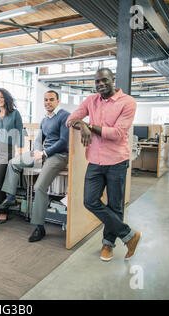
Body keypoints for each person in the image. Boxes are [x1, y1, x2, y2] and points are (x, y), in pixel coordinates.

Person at [66, 68, 141, 262]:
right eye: (97, 81)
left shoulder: (128, 102)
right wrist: (81, 125)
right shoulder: (91, 100)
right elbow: (70, 119)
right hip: (95, 161)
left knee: (115, 206)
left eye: (104, 80)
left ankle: (108, 244)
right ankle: (129, 235)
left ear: (113, 80)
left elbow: (117, 133)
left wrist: (88, 126)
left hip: (117, 161)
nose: (100, 84)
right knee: (90, 201)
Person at [0, 91, 70, 242]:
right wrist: (35, 152)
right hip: (42, 153)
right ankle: (10, 197)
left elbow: (63, 142)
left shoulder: (64, 116)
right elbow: (39, 139)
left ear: (58, 101)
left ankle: (39, 227)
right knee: (13, 162)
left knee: (39, 187)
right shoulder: (44, 119)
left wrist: (44, 153)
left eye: (51, 100)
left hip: (58, 156)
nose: (48, 102)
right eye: (45, 99)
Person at [0, 88, 24, 224]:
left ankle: (3, 211)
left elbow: (19, 132)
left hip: (6, 149)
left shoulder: (15, 114)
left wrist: (20, 151)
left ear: (6, 98)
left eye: (1, 97)